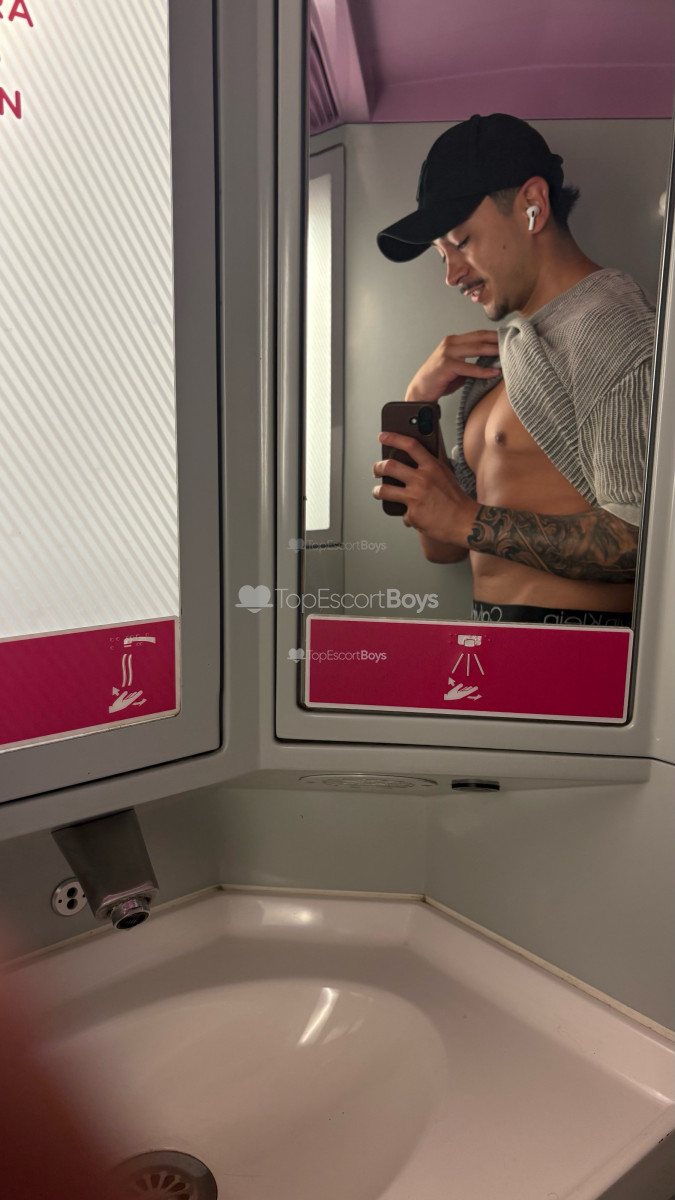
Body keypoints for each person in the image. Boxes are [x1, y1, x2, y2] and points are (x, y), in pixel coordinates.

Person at [372, 113, 655, 625]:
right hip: (493, 651)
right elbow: (443, 547)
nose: (451, 275)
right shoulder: (500, 359)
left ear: (533, 205)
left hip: (584, 655)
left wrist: (467, 519)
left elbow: (642, 540)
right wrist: (418, 402)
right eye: (440, 256)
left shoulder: (610, 323)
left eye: (461, 241)